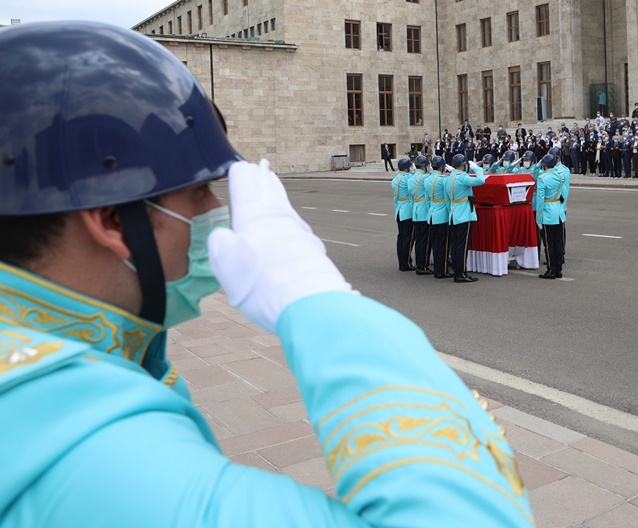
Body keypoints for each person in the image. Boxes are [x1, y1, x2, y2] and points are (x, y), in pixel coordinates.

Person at [0, 21, 533, 527]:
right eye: (199, 192)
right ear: (114, 220)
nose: (217, 210)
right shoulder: (92, 452)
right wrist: (317, 298)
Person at [444, 154, 486, 283]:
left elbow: (447, 200)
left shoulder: (449, 178)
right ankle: (460, 274)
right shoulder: (462, 177)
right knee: (462, 246)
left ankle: (458, 271)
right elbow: (481, 181)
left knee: (456, 245)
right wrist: (477, 169)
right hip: (464, 214)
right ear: (463, 165)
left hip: (453, 213)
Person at [533, 155, 566, 279]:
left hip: (547, 212)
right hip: (558, 211)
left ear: (544, 165)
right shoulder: (559, 175)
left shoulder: (542, 178)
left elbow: (540, 199)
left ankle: (551, 270)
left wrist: (538, 217)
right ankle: (558, 269)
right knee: (558, 242)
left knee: (548, 243)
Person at [426, 156, 453, 279]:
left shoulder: (427, 179)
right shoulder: (443, 179)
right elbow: (448, 198)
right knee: (444, 244)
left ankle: (437, 269)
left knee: (436, 244)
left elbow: (427, 198)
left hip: (432, 214)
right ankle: (442, 271)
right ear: (442, 167)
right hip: (442, 215)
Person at [408, 156, 434, 275]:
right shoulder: (426, 177)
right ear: (423, 166)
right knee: (425, 240)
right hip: (424, 210)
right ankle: (423, 266)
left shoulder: (411, 178)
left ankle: (419, 265)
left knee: (419, 240)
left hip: (416, 210)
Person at [392, 158, 416, 271]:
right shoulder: (409, 178)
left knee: (401, 237)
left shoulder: (395, 179)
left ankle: (402, 262)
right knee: (408, 238)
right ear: (406, 168)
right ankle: (406, 263)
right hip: (407, 210)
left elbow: (395, 198)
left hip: (399, 210)